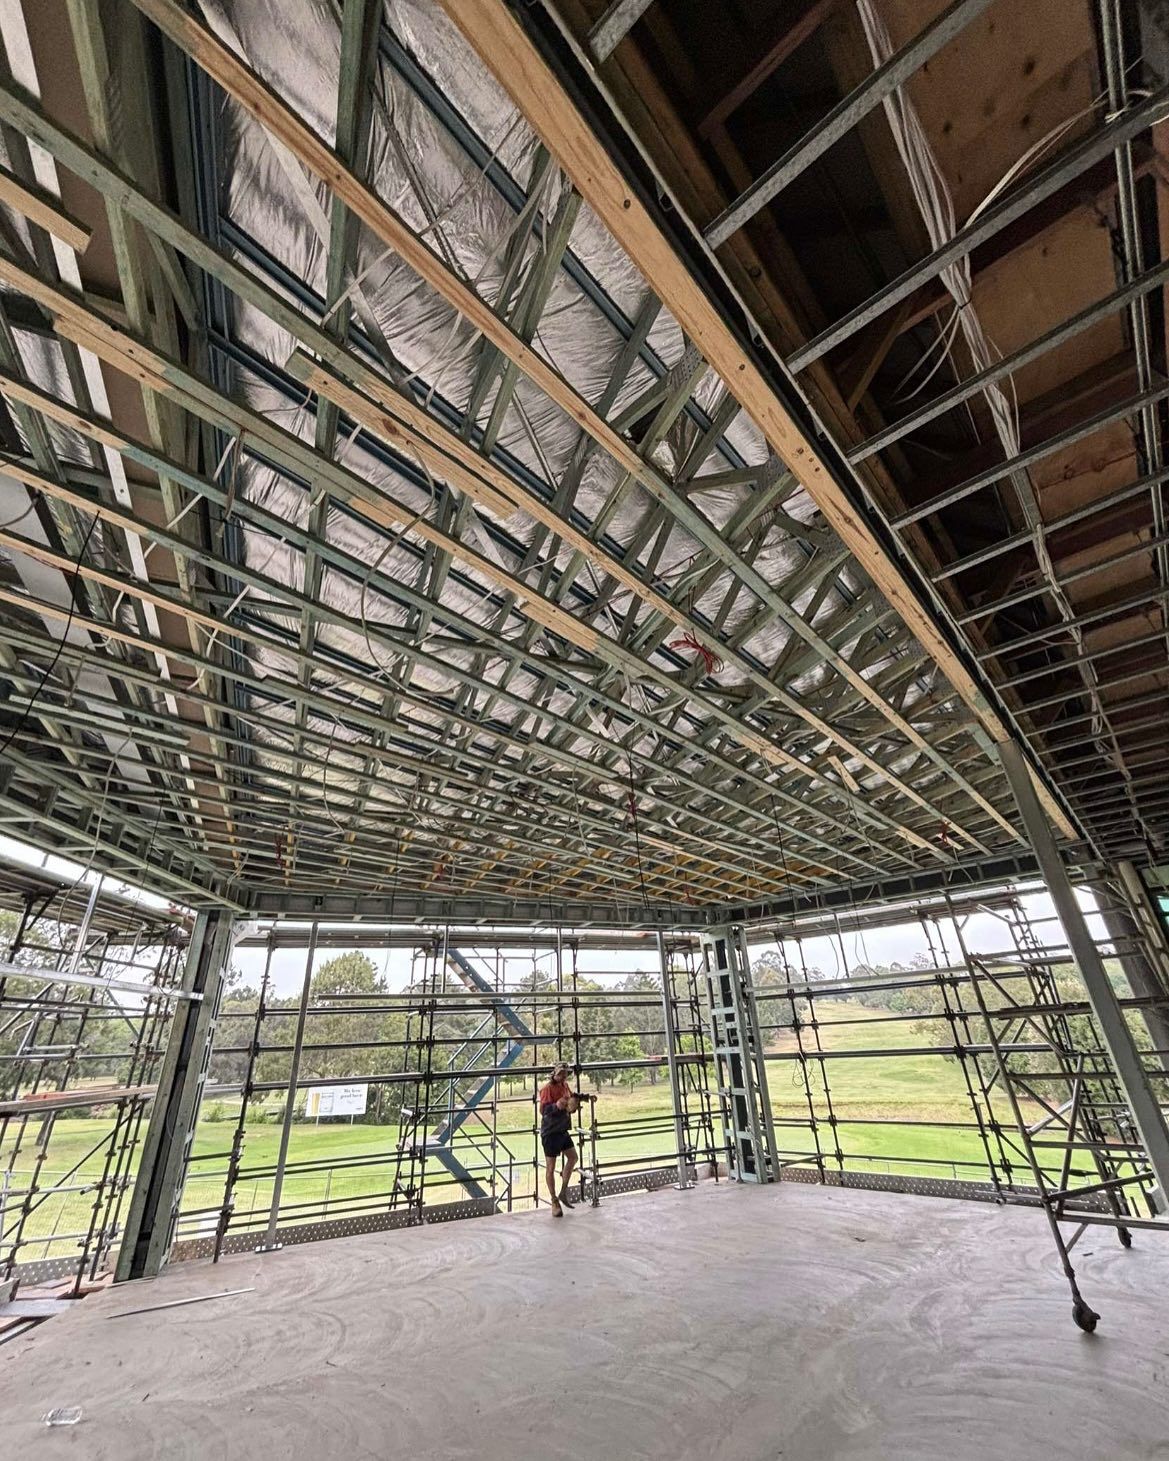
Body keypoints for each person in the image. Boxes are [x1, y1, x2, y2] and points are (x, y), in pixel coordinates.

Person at [538, 1060, 592, 1216]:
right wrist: (556, 1106)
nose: (563, 1076)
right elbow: (543, 1110)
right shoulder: (547, 1089)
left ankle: (563, 1190)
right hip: (550, 1132)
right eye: (561, 1073)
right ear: (554, 1074)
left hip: (562, 1130)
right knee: (550, 1167)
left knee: (573, 1157)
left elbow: (570, 1098)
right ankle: (554, 1200)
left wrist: (584, 1098)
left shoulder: (565, 1087)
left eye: (566, 1073)